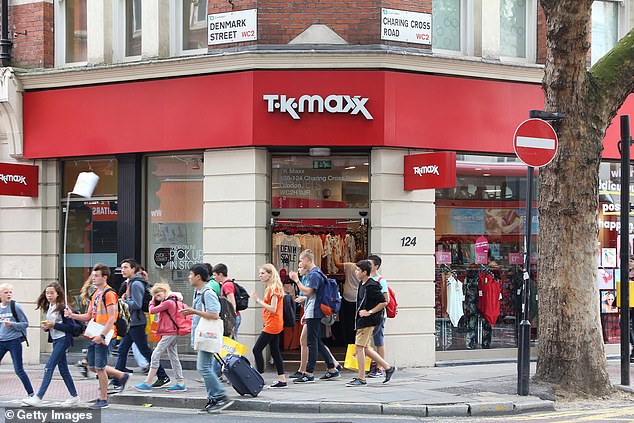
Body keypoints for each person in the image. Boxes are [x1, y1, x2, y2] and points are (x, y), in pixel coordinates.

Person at [64, 263, 130, 409]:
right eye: (93, 275)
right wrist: (72, 315)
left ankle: (103, 399)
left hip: (105, 334)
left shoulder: (109, 294)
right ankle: (121, 375)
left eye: (96, 276)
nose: (93, 278)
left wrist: (102, 335)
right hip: (95, 334)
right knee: (93, 367)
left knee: (99, 368)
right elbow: (89, 316)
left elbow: (112, 317)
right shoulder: (95, 294)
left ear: (104, 277)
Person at [181, 263, 233, 413]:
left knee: (203, 367)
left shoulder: (207, 292)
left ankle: (220, 396)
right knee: (206, 367)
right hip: (204, 335)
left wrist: (193, 312)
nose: (189, 277)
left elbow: (214, 314)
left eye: (191, 274)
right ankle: (214, 399)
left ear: (198, 276)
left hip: (208, 335)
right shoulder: (200, 292)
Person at [114, 259, 169, 388]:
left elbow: (137, 304)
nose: (123, 270)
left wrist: (123, 301)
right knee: (122, 350)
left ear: (133, 269)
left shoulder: (136, 284)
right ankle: (117, 379)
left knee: (145, 351)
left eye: (126, 267)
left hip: (137, 323)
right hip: (131, 322)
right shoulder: (131, 283)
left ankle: (162, 375)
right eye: (122, 268)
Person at [23, 282, 80, 407]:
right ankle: (74, 396)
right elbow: (54, 325)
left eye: (52, 293)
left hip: (63, 339)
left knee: (49, 367)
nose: (49, 295)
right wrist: (47, 327)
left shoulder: (63, 307)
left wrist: (53, 325)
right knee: (63, 369)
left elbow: (71, 327)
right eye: (47, 293)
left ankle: (38, 397)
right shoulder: (50, 306)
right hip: (56, 340)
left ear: (58, 293)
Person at [292, 249, 341, 383]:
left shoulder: (314, 274)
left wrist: (297, 281)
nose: (300, 263)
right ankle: (332, 368)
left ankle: (308, 373)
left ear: (307, 260)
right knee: (316, 341)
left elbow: (308, 292)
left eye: (301, 260)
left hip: (314, 311)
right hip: (312, 311)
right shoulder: (317, 272)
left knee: (311, 342)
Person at [346, 260, 396, 387]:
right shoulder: (363, 284)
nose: (356, 272)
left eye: (358, 270)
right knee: (366, 348)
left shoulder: (371, 285)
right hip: (362, 320)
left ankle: (361, 378)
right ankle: (387, 367)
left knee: (360, 347)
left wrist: (369, 312)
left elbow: (384, 302)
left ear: (364, 272)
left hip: (367, 321)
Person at [134, 282, 186, 392]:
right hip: (172, 331)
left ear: (164, 291)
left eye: (158, 295)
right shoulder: (173, 299)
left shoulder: (168, 302)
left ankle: (147, 383)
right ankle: (180, 382)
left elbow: (152, 310)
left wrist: (152, 299)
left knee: (156, 354)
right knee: (173, 356)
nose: (157, 297)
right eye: (155, 295)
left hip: (169, 332)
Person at [251, 264, 287, 388]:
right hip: (272, 323)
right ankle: (282, 380)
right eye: (260, 273)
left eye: (263, 273)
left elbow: (273, 308)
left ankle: (259, 376)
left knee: (256, 349)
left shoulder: (274, 288)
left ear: (270, 274)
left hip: (273, 324)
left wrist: (258, 300)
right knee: (275, 351)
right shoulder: (270, 288)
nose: (260, 276)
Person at [0, 283, 35, 401]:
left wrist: (12, 324)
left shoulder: (16, 306)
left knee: (18, 369)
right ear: (0, 295)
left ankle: (31, 394)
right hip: (1, 341)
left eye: (10, 292)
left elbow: (25, 324)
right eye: (6, 292)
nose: (9, 294)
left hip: (14, 341)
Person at [367, 254, 389, 378]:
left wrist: (372, 310)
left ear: (376, 266)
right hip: (368, 315)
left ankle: (380, 367)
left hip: (378, 315)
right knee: (367, 341)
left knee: (378, 341)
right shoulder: (366, 278)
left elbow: (386, 300)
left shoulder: (381, 281)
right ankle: (372, 365)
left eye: (370, 264)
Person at [333, 251, 361, 345]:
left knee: (347, 319)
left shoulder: (350, 266)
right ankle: (355, 339)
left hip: (347, 296)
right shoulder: (364, 269)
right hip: (358, 297)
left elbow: (337, 264)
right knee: (357, 319)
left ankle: (347, 339)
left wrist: (334, 252)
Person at [213, 263, 241, 339]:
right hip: (232, 317)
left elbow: (232, 303)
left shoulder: (226, 285)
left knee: (232, 343)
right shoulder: (227, 283)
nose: (214, 277)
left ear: (220, 274)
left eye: (215, 275)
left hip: (231, 318)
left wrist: (232, 322)